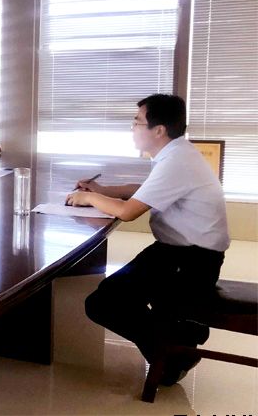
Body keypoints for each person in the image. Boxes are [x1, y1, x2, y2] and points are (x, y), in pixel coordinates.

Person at [66, 94, 230, 386]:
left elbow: (128, 213)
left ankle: (174, 352)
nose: (132, 128)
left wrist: (88, 197)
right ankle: (179, 341)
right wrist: (105, 190)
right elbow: (147, 189)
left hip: (190, 260)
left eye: (137, 122)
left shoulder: (177, 160)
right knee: (112, 296)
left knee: (103, 303)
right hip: (178, 251)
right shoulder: (177, 154)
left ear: (159, 130)